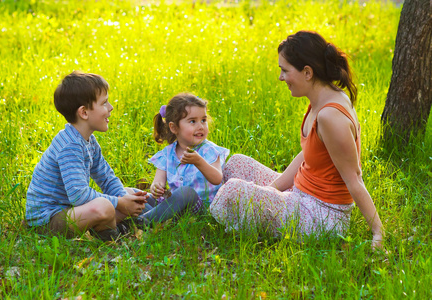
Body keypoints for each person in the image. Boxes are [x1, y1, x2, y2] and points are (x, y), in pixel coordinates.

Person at [210, 31, 384, 249]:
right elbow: (309, 155)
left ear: (307, 72)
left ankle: (200, 201)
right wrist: (274, 188)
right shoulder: (322, 97)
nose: (281, 77)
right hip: (301, 194)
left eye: (285, 70)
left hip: (321, 216)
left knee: (233, 191)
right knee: (237, 163)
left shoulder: (331, 116)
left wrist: (378, 232)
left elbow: (354, 178)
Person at [25, 71, 196, 242]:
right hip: (47, 221)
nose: (111, 107)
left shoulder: (88, 140)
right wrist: (120, 203)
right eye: (104, 103)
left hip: (70, 210)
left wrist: (125, 199)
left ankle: (139, 220)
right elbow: (78, 196)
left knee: (128, 193)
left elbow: (106, 178)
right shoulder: (70, 146)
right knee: (104, 206)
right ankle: (116, 237)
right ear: (84, 112)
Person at [149, 93, 230, 216]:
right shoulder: (167, 154)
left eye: (203, 120)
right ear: (174, 128)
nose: (201, 126)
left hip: (203, 207)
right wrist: (156, 188)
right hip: (176, 205)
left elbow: (217, 179)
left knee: (186, 193)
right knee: (142, 196)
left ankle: (144, 221)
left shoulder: (210, 151)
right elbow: (158, 181)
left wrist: (199, 161)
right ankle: (143, 217)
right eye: (193, 121)